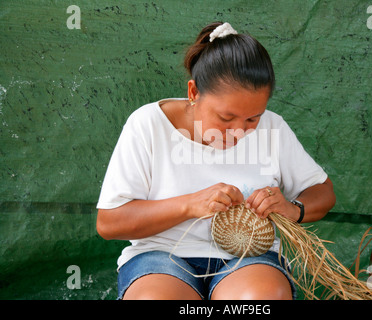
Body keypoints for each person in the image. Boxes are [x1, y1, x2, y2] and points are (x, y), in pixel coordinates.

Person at [96, 22, 336, 300]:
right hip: (161, 256)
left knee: (259, 297)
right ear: (194, 92)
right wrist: (189, 204)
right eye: (225, 118)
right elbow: (110, 223)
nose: (239, 131)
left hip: (250, 256)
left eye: (252, 119)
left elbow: (322, 192)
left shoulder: (273, 128)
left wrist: (293, 209)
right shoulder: (148, 123)